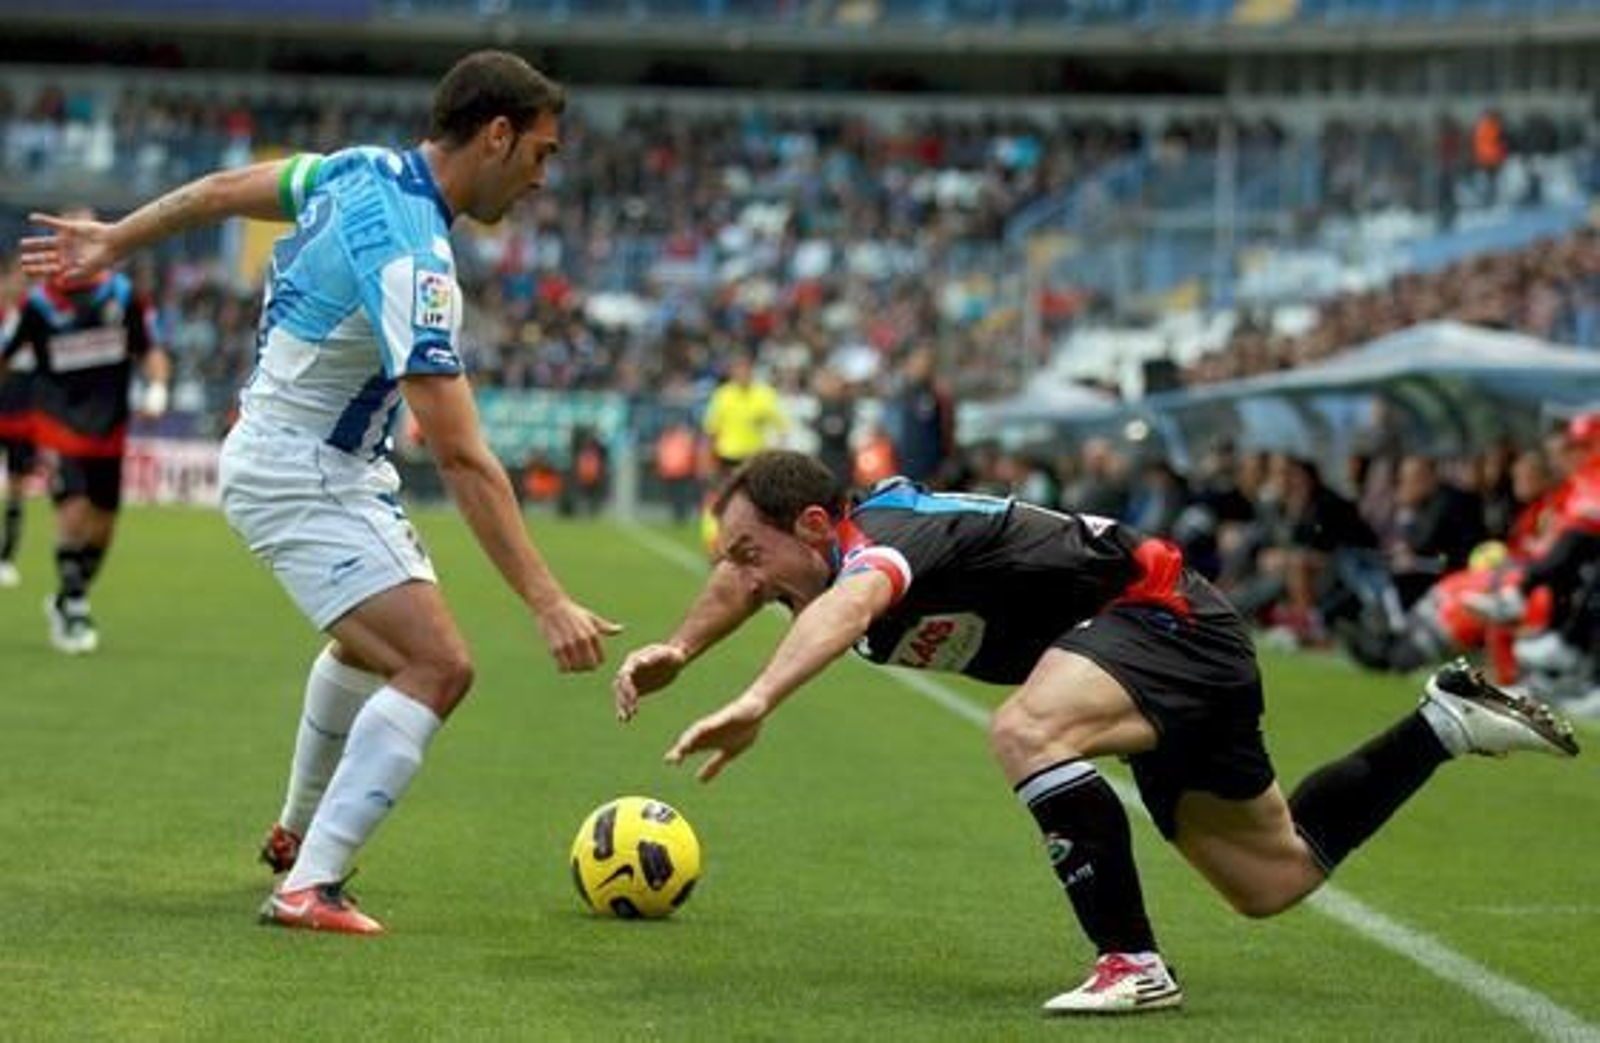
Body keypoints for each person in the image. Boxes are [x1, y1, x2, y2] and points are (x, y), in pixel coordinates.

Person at [612, 450, 1579, 1015]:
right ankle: (1443, 722)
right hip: (1143, 648)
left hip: (1163, 617)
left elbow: (852, 606)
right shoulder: (815, 555)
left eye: (753, 549)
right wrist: (679, 649)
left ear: (819, 524)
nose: (744, 574)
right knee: (1271, 878)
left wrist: (759, 699)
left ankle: (1133, 963)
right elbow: (742, 582)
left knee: (1026, 729)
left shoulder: (885, 540)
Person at [20, 50, 621, 934]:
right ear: (497, 135)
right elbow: (461, 456)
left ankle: (295, 831)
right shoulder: (415, 261)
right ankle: (310, 884)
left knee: (368, 644)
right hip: (302, 472)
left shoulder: (356, 166)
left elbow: (221, 190)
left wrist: (118, 238)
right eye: (541, 152)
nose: (541, 177)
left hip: (317, 460)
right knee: (438, 665)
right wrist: (546, 599)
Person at [4, 210, 171, 651]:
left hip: (109, 430)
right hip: (56, 423)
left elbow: (151, 349)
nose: (77, 247)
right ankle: (76, 610)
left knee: (102, 530)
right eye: (68, 240)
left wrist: (158, 387)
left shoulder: (124, 296)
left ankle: (67, 596)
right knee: (74, 513)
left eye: (84, 238)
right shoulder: (38, 306)